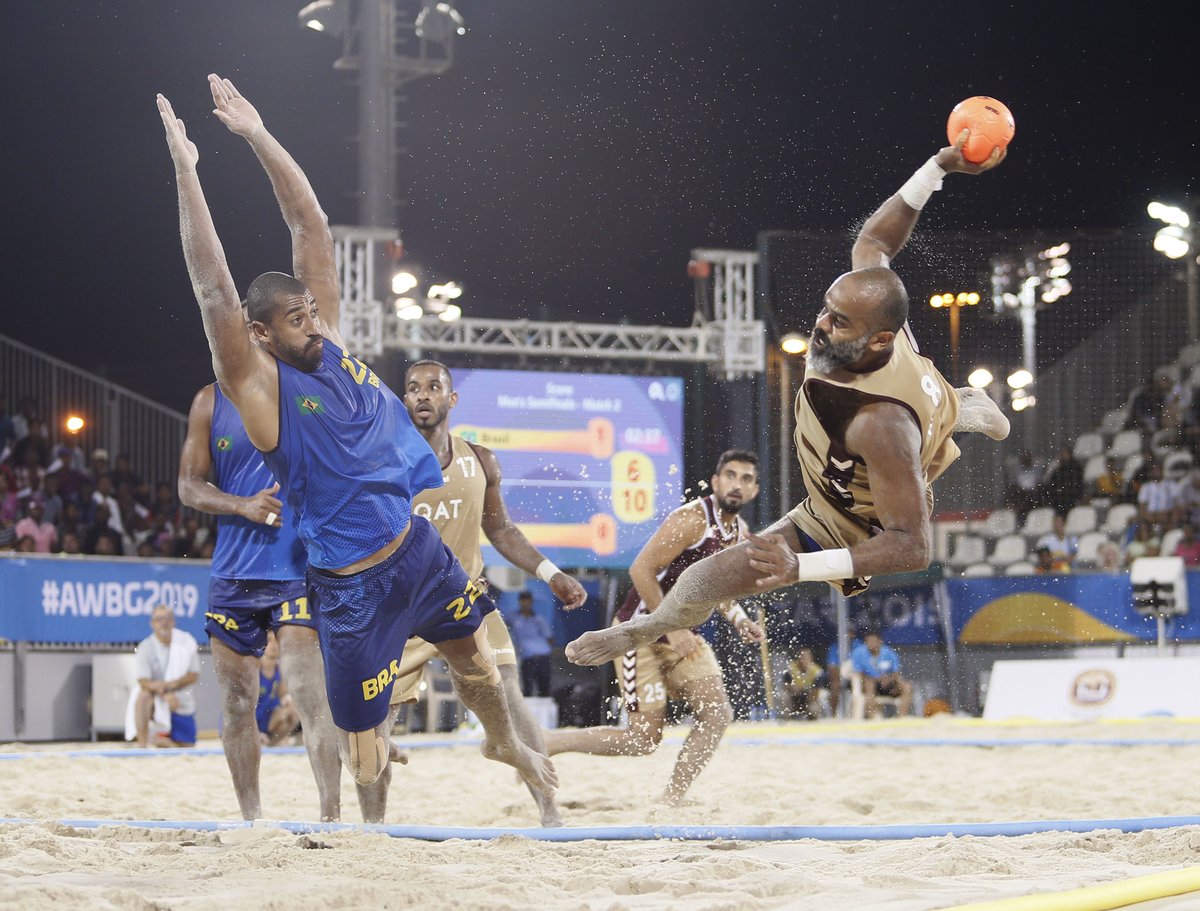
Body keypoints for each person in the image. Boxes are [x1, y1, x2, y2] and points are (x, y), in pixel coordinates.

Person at [158, 76, 554, 798]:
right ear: (260, 334)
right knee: (366, 763)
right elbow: (212, 286)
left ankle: (501, 743)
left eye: (312, 310)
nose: (313, 321)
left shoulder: (329, 336)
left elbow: (309, 222)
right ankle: (356, 793)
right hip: (351, 590)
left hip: (415, 548)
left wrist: (257, 134)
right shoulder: (257, 387)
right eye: (296, 318)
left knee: (479, 668)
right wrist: (188, 173)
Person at [565, 130, 1009, 669]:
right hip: (902, 419)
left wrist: (801, 568)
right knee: (698, 581)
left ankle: (960, 411)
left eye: (838, 322)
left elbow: (913, 547)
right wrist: (936, 168)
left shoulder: (881, 424)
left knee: (714, 574)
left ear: (879, 340)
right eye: (826, 308)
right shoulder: (873, 322)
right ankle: (960, 408)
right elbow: (874, 242)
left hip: (851, 515)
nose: (821, 324)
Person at [390, 359, 588, 825]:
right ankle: (372, 829)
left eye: (433, 386)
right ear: (404, 400)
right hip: (404, 610)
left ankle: (550, 814)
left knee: (511, 697)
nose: (423, 394)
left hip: (466, 602)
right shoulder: (387, 460)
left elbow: (501, 530)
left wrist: (550, 572)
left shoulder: (479, 460)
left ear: (451, 398)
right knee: (376, 730)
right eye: (414, 388)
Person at [544, 450, 765, 805]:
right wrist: (671, 627)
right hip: (638, 633)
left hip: (682, 635)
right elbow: (640, 570)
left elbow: (720, 590)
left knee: (717, 714)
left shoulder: (739, 533)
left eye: (746, 478)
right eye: (730, 475)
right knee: (643, 739)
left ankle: (672, 799)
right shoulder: (691, 518)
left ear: (754, 490)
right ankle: (551, 742)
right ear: (715, 482)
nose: (737, 484)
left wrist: (740, 619)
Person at [179, 379, 352, 821]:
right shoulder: (210, 400)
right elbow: (188, 486)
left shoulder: (304, 390)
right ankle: (252, 820)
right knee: (237, 703)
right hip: (233, 574)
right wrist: (241, 505)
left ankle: (331, 819)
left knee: (310, 696)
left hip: (296, 569)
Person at [129, 605, 201, 748]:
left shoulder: (186, 642)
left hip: (181, 698)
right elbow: (143, 681)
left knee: (187, 746)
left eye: (167, 618)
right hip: (156, 697)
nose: (163, 623)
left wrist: (170, 686)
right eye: (159, 619)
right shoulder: (145, 647)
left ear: (173, 622)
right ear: (152, 623)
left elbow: (194, 675)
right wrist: (165, 693)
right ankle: (142, 745)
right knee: (143, 696)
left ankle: (160, 740)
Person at [849, 630, 912, 717]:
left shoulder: (889, 653)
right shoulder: (859, 653)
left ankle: (902, 716)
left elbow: (896, 672)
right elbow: (858, 673)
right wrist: (875, 679)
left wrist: (889, 679)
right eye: (868, 642)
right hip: (869, 684)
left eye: (873, 641)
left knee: (907, 687)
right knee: (869, 685)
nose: (871, 644)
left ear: (880, 641)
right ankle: (872, 717)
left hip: (888, 684)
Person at [256, 632, 301, 746]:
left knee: (294, 710)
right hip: (253, 719)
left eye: (276, 641)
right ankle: (257, 735)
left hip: (269, 720)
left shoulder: (279, 669)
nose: (273, 645)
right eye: (269, 641)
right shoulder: (255, 668)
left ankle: (272, 742)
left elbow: (285, 696)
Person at [510, 592, 556, 697]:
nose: (526, 603)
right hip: (527, 658)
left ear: (531, 602)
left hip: (543, 657)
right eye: (523, 601)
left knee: (544, 690)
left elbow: (550, 638)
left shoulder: (539, 619)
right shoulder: (513, 618)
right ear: (520, 602)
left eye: (528, 601)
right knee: (527, 690)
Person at [1042, 445, 1085, 516]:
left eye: (1064, 453)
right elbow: (1051, 484)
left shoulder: (1076, 468)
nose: (1062, 456)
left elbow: (1077, 485)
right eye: (1061, 453)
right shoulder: (1057, 470)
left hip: (1071, 497)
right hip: (1059, 499)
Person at [784, 647, 823, 720]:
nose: (805, 660)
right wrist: (792, 687)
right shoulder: (791, 669)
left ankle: (812, 721)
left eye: (807, 658)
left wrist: (807, 696)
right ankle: (788, 721)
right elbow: (785, 685)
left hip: (809, 698)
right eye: (802, 657)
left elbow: (816, 692)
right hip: (794, 696)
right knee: (785, 697)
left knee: (814, 708)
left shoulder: (816, 672)